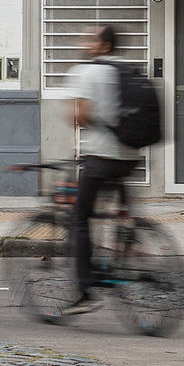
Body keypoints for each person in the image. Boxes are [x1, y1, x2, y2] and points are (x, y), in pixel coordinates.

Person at [64, 23, 138, 312]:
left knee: (80, 218)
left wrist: (77, 114)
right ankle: (126, 248)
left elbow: (81, 116)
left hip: (100, 156)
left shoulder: (89, 71)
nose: (85, 43)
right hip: (129, 156)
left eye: (90, 40)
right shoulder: (127, 71)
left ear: (104, 46)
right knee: (121, 215)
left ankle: (85, 290)